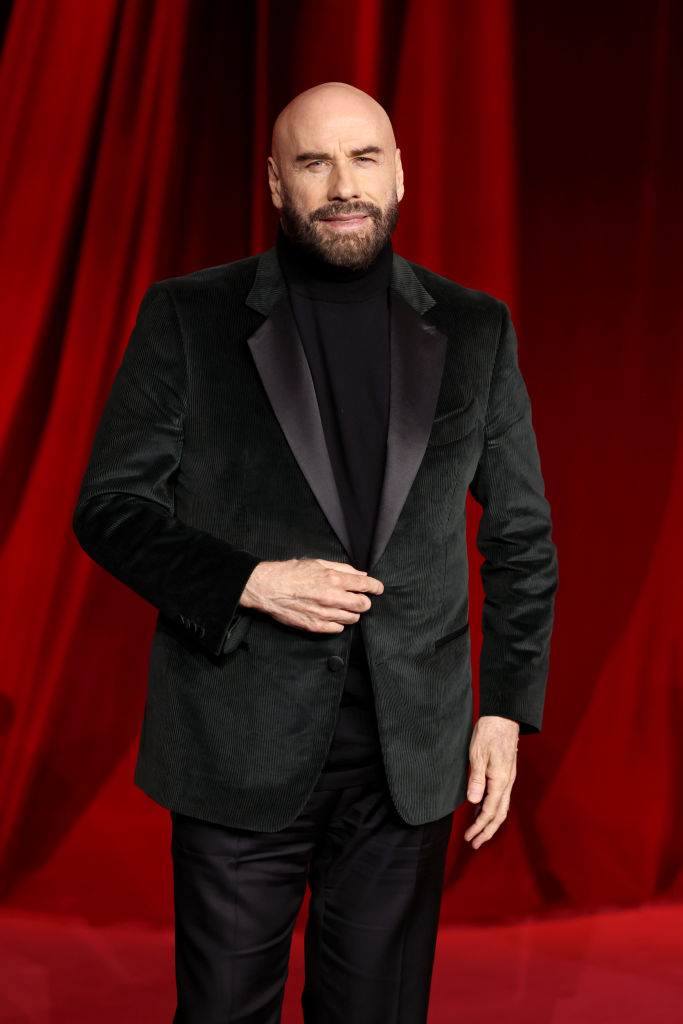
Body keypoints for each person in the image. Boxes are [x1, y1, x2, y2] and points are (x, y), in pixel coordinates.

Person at [73, 82, 557, 1024]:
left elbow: (521, 536)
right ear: (275, 183)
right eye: (313, 161)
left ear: (400, 172)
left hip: (405, 761)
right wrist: (245, 580)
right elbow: (111, 508)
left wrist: (503, 709)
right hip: (235, 745)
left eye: (364, 157)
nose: (343, 183)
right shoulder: (188, 316)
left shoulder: (474, 329)